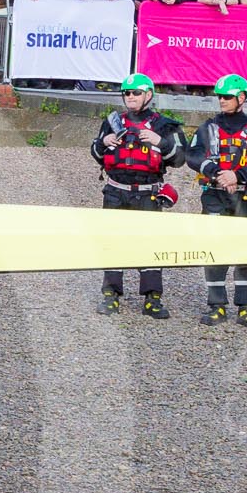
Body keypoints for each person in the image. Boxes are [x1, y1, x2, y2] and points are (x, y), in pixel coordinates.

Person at [91, 72, 186, 318]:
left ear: (148, 95)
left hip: (148, 194)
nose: (130, 97)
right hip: (115, 192)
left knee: (151, 244)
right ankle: (111, 295)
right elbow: (95, 151)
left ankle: (152, 298)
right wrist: (104, 143)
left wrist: (160, 143)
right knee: (113, 244)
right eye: (126, 93)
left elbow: (180, 159)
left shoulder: (164, 125)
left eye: (135, 93)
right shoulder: (112, 122)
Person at [191, 75, 247, 329]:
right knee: (215, 249)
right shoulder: (207, 128)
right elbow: (193, 156)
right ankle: (216, 306)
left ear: (241, 98)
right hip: (214, 194)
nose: (222, 101)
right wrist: (219, 174)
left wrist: (237, 175)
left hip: (245, 196)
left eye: (227, 96)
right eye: (219, 97)